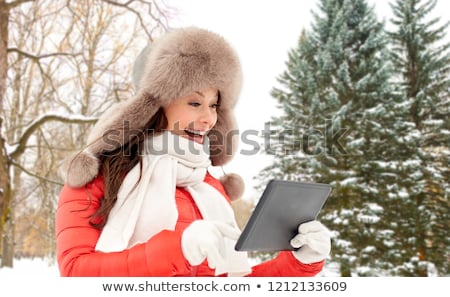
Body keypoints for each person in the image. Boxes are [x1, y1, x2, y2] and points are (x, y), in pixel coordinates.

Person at [56, 27, 331, 277]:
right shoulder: (97, 176)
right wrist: (177, 250)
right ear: (155, 105)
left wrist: (300, 262)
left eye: (213, 105)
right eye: (195, 102)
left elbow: (229, 284)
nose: (208, 119)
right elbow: (75, 272)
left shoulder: (208, 187)